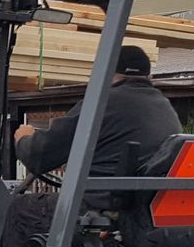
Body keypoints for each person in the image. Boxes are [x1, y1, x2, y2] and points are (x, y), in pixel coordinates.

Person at [12, 44, 180, 184]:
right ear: (148, 76)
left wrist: (24, 139)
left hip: (98, 205)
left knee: (20, 209)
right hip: (141, 206)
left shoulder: (103, 103)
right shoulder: (164, 105)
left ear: (106, 72)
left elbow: (41, 155)